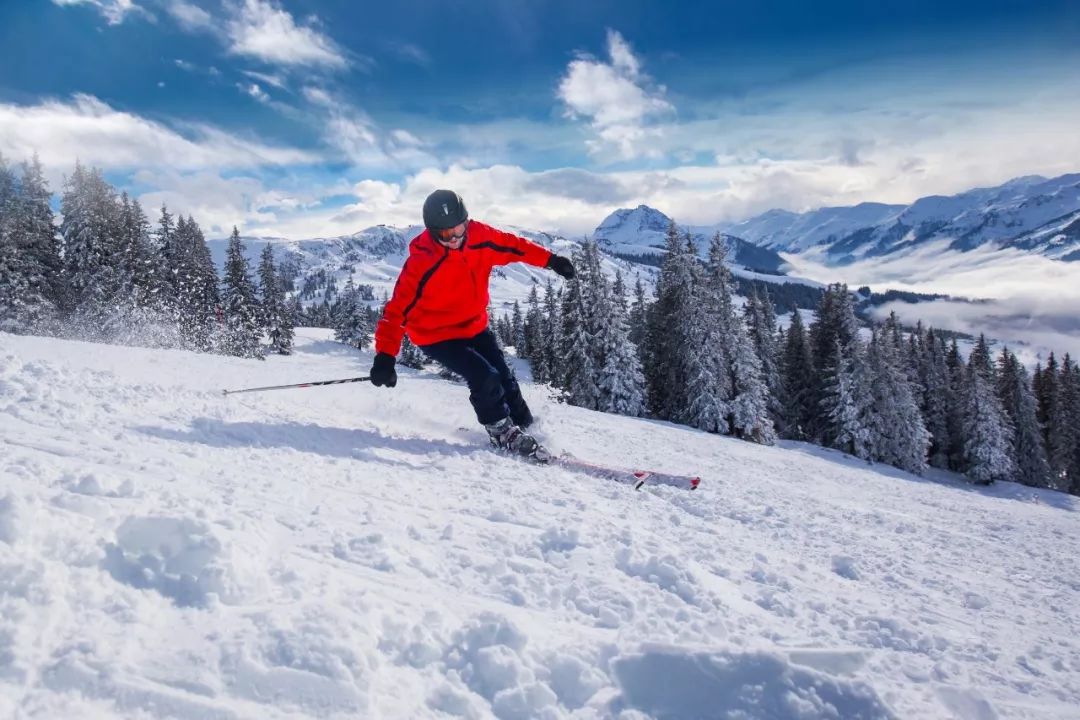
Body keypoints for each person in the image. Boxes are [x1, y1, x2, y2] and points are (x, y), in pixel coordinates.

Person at [369, 189, 576, 459]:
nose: (455, 238)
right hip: (435, 335)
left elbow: (515, 246)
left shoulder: (480, 237)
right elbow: (396, 311)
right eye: (446, 235)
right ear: (433, 233)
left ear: (467, 222)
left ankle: (528, 429)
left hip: (473, 325)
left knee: (504, 377)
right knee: (483, 375)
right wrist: (385, 357)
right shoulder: (422, 263)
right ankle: (500, 430)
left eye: (459, 229)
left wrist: (551, 260)